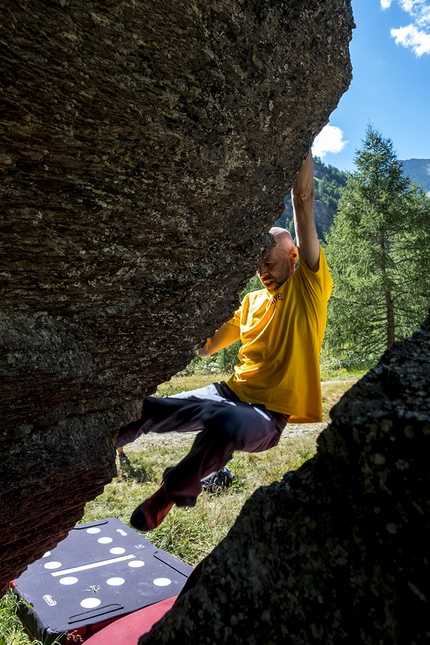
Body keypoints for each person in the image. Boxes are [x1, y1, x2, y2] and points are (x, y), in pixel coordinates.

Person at [116, 150, 332, 532]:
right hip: (227, 392)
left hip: (267, 414)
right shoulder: (250, 302)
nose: (263, 271)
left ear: (293, 254)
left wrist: (304, 140)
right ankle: (91, 452)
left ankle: (170, 493)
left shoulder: (309, 287)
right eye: (258, 265)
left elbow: (303, 202)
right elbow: (205, 346)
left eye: (270, 262)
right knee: (147, 409)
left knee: (228, 423)